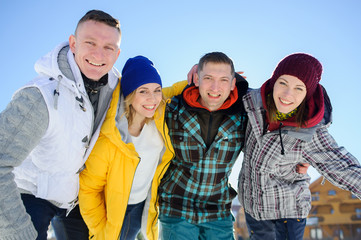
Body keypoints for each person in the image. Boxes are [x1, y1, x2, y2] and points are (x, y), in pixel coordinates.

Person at [0, 10, 121, 240]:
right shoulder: (41, 96)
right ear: (73, 44)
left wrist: (196, 80)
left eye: (108, 47)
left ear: (117, 54)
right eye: (90, 42)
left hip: (74, 197)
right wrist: (17, 232)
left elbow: (150, 96)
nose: (99, 53)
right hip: (32, 194)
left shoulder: (114, 91)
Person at [237, 53, 361, 240]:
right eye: (283, 83)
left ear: (307, 94)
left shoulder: (310, 134)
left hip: (288, 212)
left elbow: (344, 169)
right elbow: (215, 90)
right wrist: (203, 72)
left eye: (298, 88)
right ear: (273, 82)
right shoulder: (252, 105)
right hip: (254, 208)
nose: (287, 94)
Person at [78, 56, 186, 240]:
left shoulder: (158, 113)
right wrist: (101, 231)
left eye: (157, 90)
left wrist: (205, 77)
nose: (152, 98)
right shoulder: (110, 139)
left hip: (144, 204)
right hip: (117, 212)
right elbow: (89, 190)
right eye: (143, 91)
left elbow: (176, 89)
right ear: (130, 94)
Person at [158, 52, 249, 240]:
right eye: (208, 78)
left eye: (224, 80)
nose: (215, 87)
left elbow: (285, 104)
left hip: (218, 210)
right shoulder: (173, 108)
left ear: (233, 84)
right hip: (176, 207)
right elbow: (142, 96)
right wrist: (183, 84)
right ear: (197, 79)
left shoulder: (244, 116)